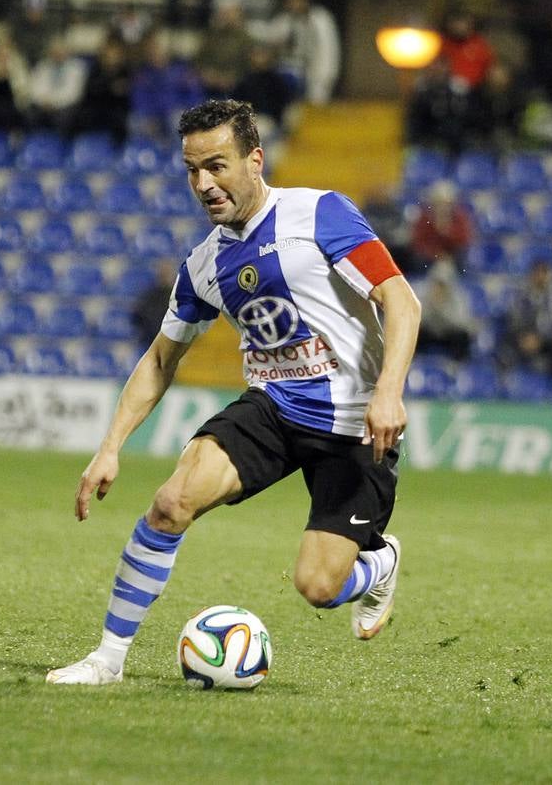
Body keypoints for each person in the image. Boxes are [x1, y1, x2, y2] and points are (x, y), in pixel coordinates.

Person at [46, 99, 420, 686]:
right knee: (170, 503)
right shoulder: (202, 266)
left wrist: (389, 392)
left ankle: (379, 564)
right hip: (274, 407)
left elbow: (401, 298)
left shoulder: (319, 213)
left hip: (354, 421)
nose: (204, 183)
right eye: (193, 170)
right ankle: (107, 659)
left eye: (217, 166)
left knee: (319, 587)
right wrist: (111, 445)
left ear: (255, 159)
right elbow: (162, 357)